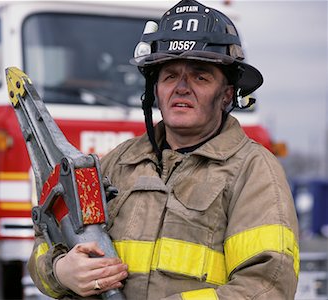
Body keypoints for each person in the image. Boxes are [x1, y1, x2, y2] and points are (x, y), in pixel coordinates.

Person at [27, 0, 300, 299]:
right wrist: (63, 271)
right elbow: (49, 238)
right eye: (170, 75)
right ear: (154, 90)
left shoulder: (253, 171)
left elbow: (266, 286)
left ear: (226, 95)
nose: (181, 87)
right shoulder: (118, 163)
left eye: (200, 76)